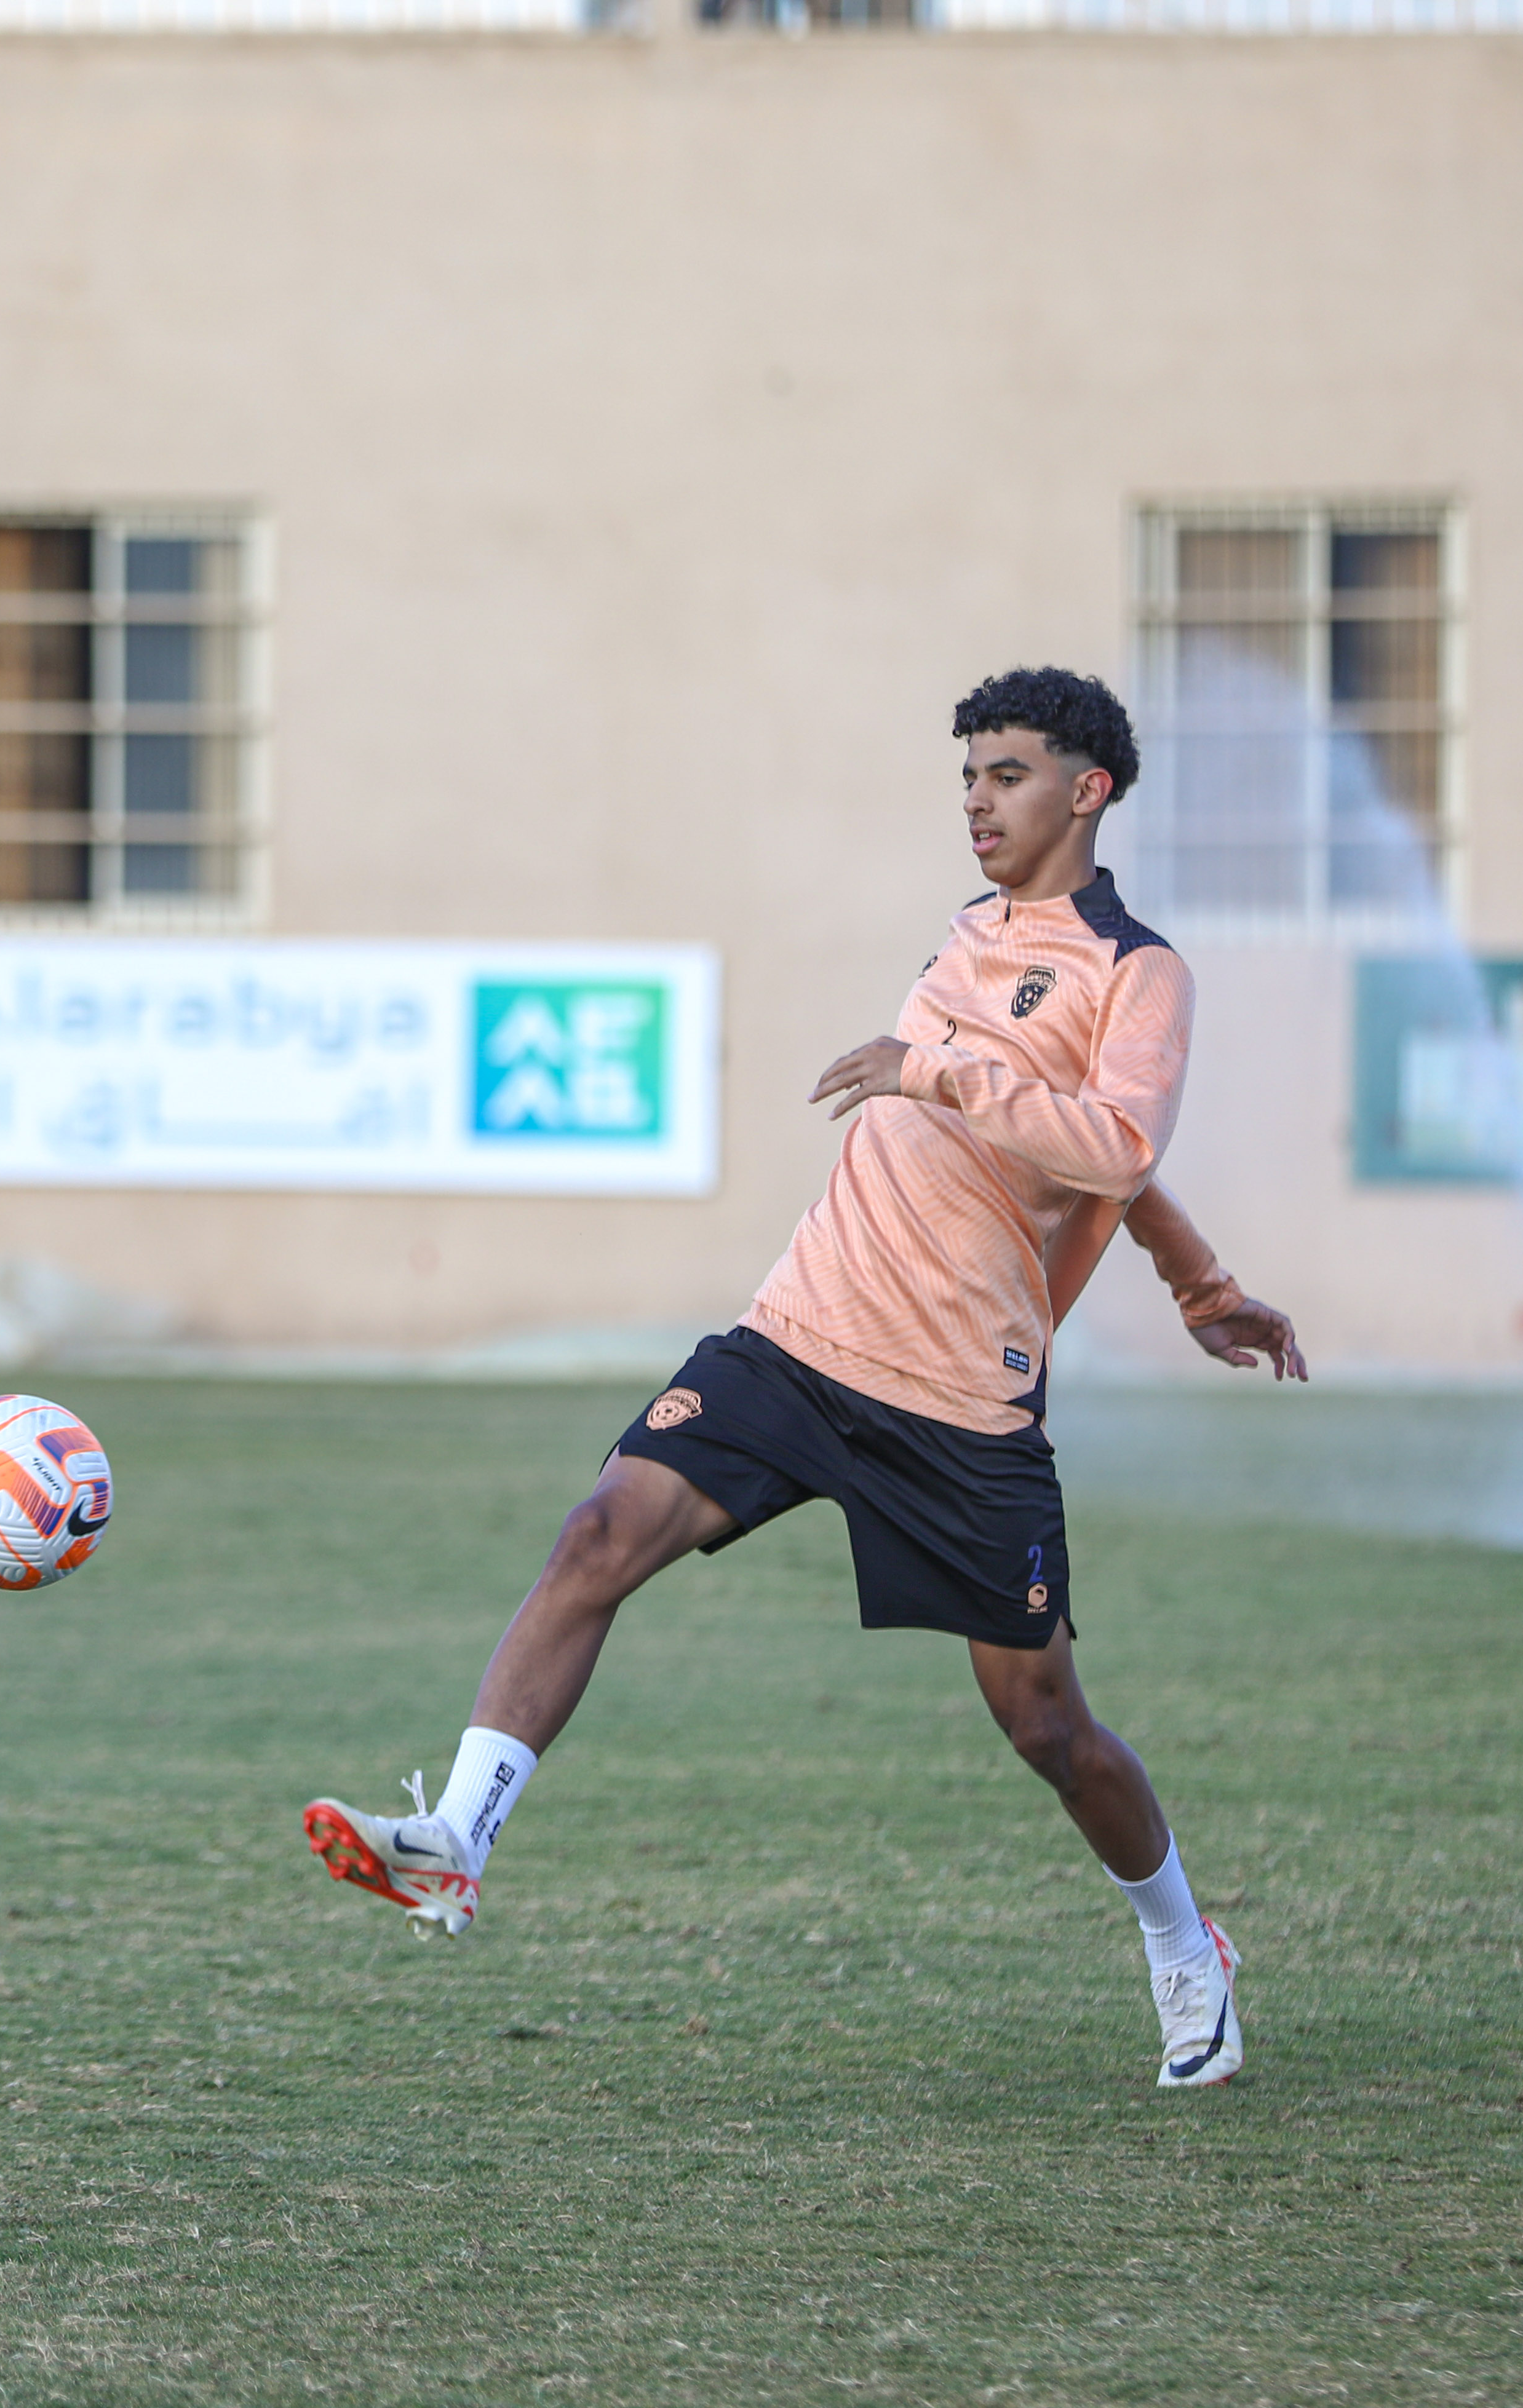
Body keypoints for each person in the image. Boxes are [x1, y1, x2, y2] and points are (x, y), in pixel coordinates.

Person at [304, 667, 1305, 2091]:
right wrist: (1189, 1274)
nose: (975, 799)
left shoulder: (1137, 970)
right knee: (595, 1538)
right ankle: (455, 1840)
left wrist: (1165, 1260)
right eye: (965, 774)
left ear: (1086, 790)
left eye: (1005, 773)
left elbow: (1115, 1151)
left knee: (1044, 1723)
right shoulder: (967, 934)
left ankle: (1179, 1939)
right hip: (798, 1335)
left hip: (960, 1398)